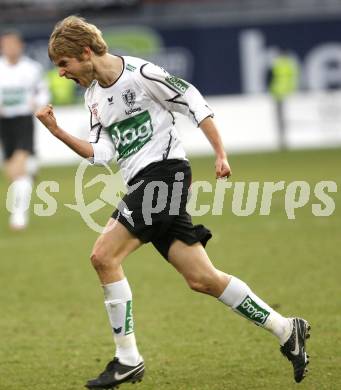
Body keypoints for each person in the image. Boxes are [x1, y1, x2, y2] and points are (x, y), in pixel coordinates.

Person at [36, 16, 310, 389]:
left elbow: (193, 101)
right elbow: (101, 153)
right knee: (202, 278)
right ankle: (286, 329)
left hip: (165, 175)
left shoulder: (141, 73)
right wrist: (57, 132)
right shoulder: (94, 97)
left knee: (103, 256)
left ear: (85, 52)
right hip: (145, 182)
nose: (63, 73)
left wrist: (220, 154)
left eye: (63, 64)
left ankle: (128, 359)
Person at [0, 31, 49, 230]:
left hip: (23, 121)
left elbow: (43, 91)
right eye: (5, 45)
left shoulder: (32, 69)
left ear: (20, 46)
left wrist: (37, 104)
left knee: (19, 166)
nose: (9, 48)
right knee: (12, 172)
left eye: (13, 44)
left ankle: (19, 215)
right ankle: (30, 172)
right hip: (4, 123)